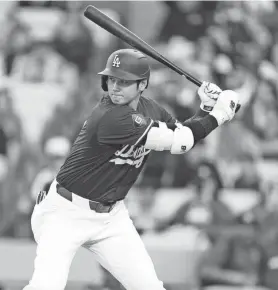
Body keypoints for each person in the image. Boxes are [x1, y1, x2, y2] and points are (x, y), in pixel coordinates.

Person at [23, 48, 239, 290]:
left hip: (111, 217)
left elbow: (181, 137)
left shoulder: (151, 109)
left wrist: (206, 108)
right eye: (112, 79)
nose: (115, 86)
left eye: (124, 81)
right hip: (65, 213)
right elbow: (183, 140)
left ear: (142, 84)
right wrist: (219, 115)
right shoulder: (109, 116)